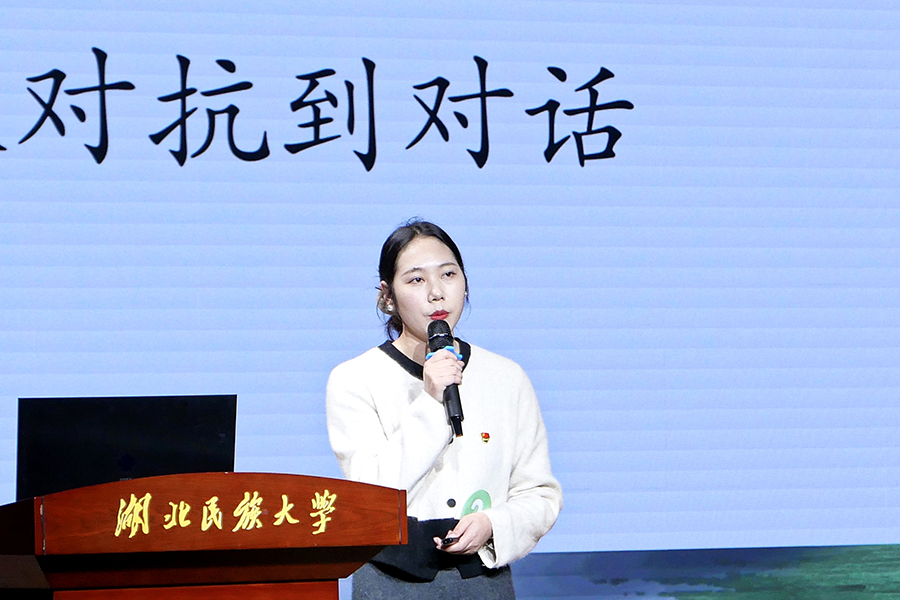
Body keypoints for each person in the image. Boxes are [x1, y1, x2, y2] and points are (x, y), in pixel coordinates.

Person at [326, 219, 562, 599]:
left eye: (448, 275)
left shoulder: (506, 377)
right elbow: (371, 495)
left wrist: (493, 524)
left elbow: (539, 493)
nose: (437, 293)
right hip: (390, 582)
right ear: (387, 296)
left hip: (482, 581)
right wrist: (431, 399)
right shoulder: (355, 379)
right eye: (416, 279)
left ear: (465, 284)